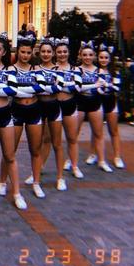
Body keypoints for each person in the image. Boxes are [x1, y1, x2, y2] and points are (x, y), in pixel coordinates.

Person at [0, 33, 26, 210]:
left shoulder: (10, 69)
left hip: (4, 113)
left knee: (10, 155)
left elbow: (12, 91)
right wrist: (1, 88)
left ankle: (16, 193)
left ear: (4, 52)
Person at [3, 34, 47, 198]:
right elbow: (11, 90)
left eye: (28, 52)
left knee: (35, 149)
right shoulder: (10, 69)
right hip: (16, 110)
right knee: (10, 151)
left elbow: (41, 88)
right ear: (17, 52)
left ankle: (36, 182)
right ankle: (2, 181)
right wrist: (29, 89)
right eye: (22, 52)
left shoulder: (36, 69)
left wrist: (20, 90)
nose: (25, 55)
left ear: (32, 53)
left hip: (34, 110)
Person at [27, 37, 67, 191]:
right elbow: (34, 88)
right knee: (37, 144)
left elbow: (59, 88)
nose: (45, 54)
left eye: (48, 51)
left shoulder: (59, 69)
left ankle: (60, 177)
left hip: (53, 107)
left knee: (57, 143)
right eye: (43, 51)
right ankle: (35, 173)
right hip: (38, 107)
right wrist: (47, 88)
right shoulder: (34, 68)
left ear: (53, 53)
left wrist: (42, 88)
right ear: (39, 53)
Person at [76, 41, 113, 172]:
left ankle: (101, 160)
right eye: (85, 55)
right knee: (74, 134)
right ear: (80, 56)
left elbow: (102, 89)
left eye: (90, 55)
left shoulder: (99, 70)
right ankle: (71, 160)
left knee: (98, 133)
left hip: (95, 102)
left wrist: (104, 87)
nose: (87, 57)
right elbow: (77, 88)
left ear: (94, 56)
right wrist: (94, 86)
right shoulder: (77, 70)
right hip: (80, 102)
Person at [53, 38, 84, 179]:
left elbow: (77, 87)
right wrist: (67, 84)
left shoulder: (75, 69)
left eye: (64, 52)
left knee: (72, 138)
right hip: (54, 105)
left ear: (69, 52)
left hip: (69, 104)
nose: (62, 54)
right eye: (59, 52)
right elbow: (50, 88)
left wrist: (60, 85)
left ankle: (74, 165)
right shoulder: (51, 68)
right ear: (55, 53)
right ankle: (39, 167)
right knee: (48, 139)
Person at [94, 44, 125, 168]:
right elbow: (96, 88)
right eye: (101, 57)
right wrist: (106, 86)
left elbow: (117, 88)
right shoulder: (95, 71)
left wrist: (105, 85)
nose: (103, 60)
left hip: (111, 101)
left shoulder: (115, 72)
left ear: (110, 59)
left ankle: (117, 156)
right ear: (98, 58)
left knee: (114, 130)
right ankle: (93, 154)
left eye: (106, 57)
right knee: (97, 130)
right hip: (98, 101)